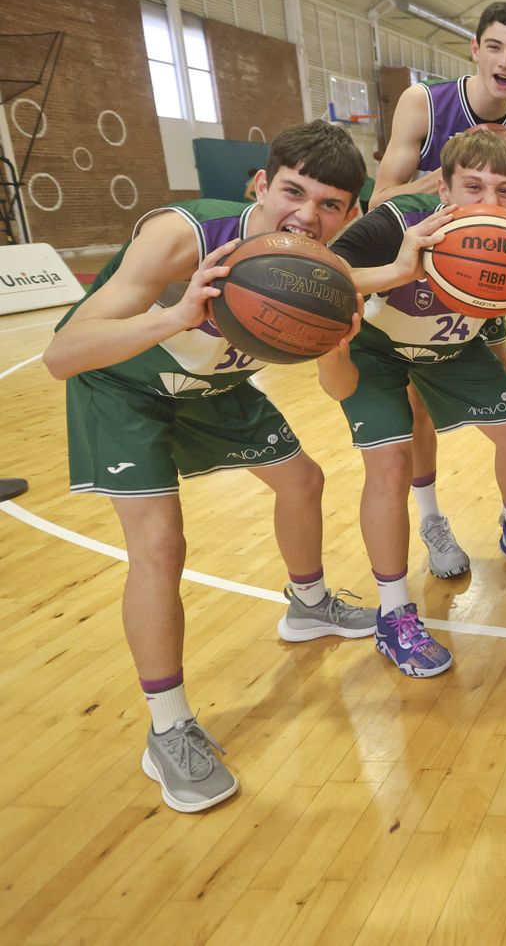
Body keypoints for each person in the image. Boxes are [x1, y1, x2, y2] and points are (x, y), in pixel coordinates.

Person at [44, 121, 391, 813]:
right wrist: (175, 316)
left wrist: (337, 345)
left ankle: (310, 606)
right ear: (259, 185)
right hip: (127, 384)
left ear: (349, 214)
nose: (306, 215)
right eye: (293, 192)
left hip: (216, 388)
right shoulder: (183, 237)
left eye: (329, 205)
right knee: (161, 545)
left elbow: (341, 391)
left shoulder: (326, 273)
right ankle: (168, 729)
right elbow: (63, 355)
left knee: (303, 479)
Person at [323, 129, 506, 678]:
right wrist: (396, 271)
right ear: (443, 186)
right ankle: (394, 615)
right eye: (473, 186)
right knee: (388, 464)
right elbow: (322, 276)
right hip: (378, 352)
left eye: (504, 192)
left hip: (452, 346)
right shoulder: (394, 222)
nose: (487, 203)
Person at [370, 2, 506, 576]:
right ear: (475, 50)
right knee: (415, 415)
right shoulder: (424, 103)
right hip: (411, 277)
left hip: (478, 280)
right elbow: (381, 195)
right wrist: (460, 180)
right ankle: (432, 520)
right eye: (496, 47)